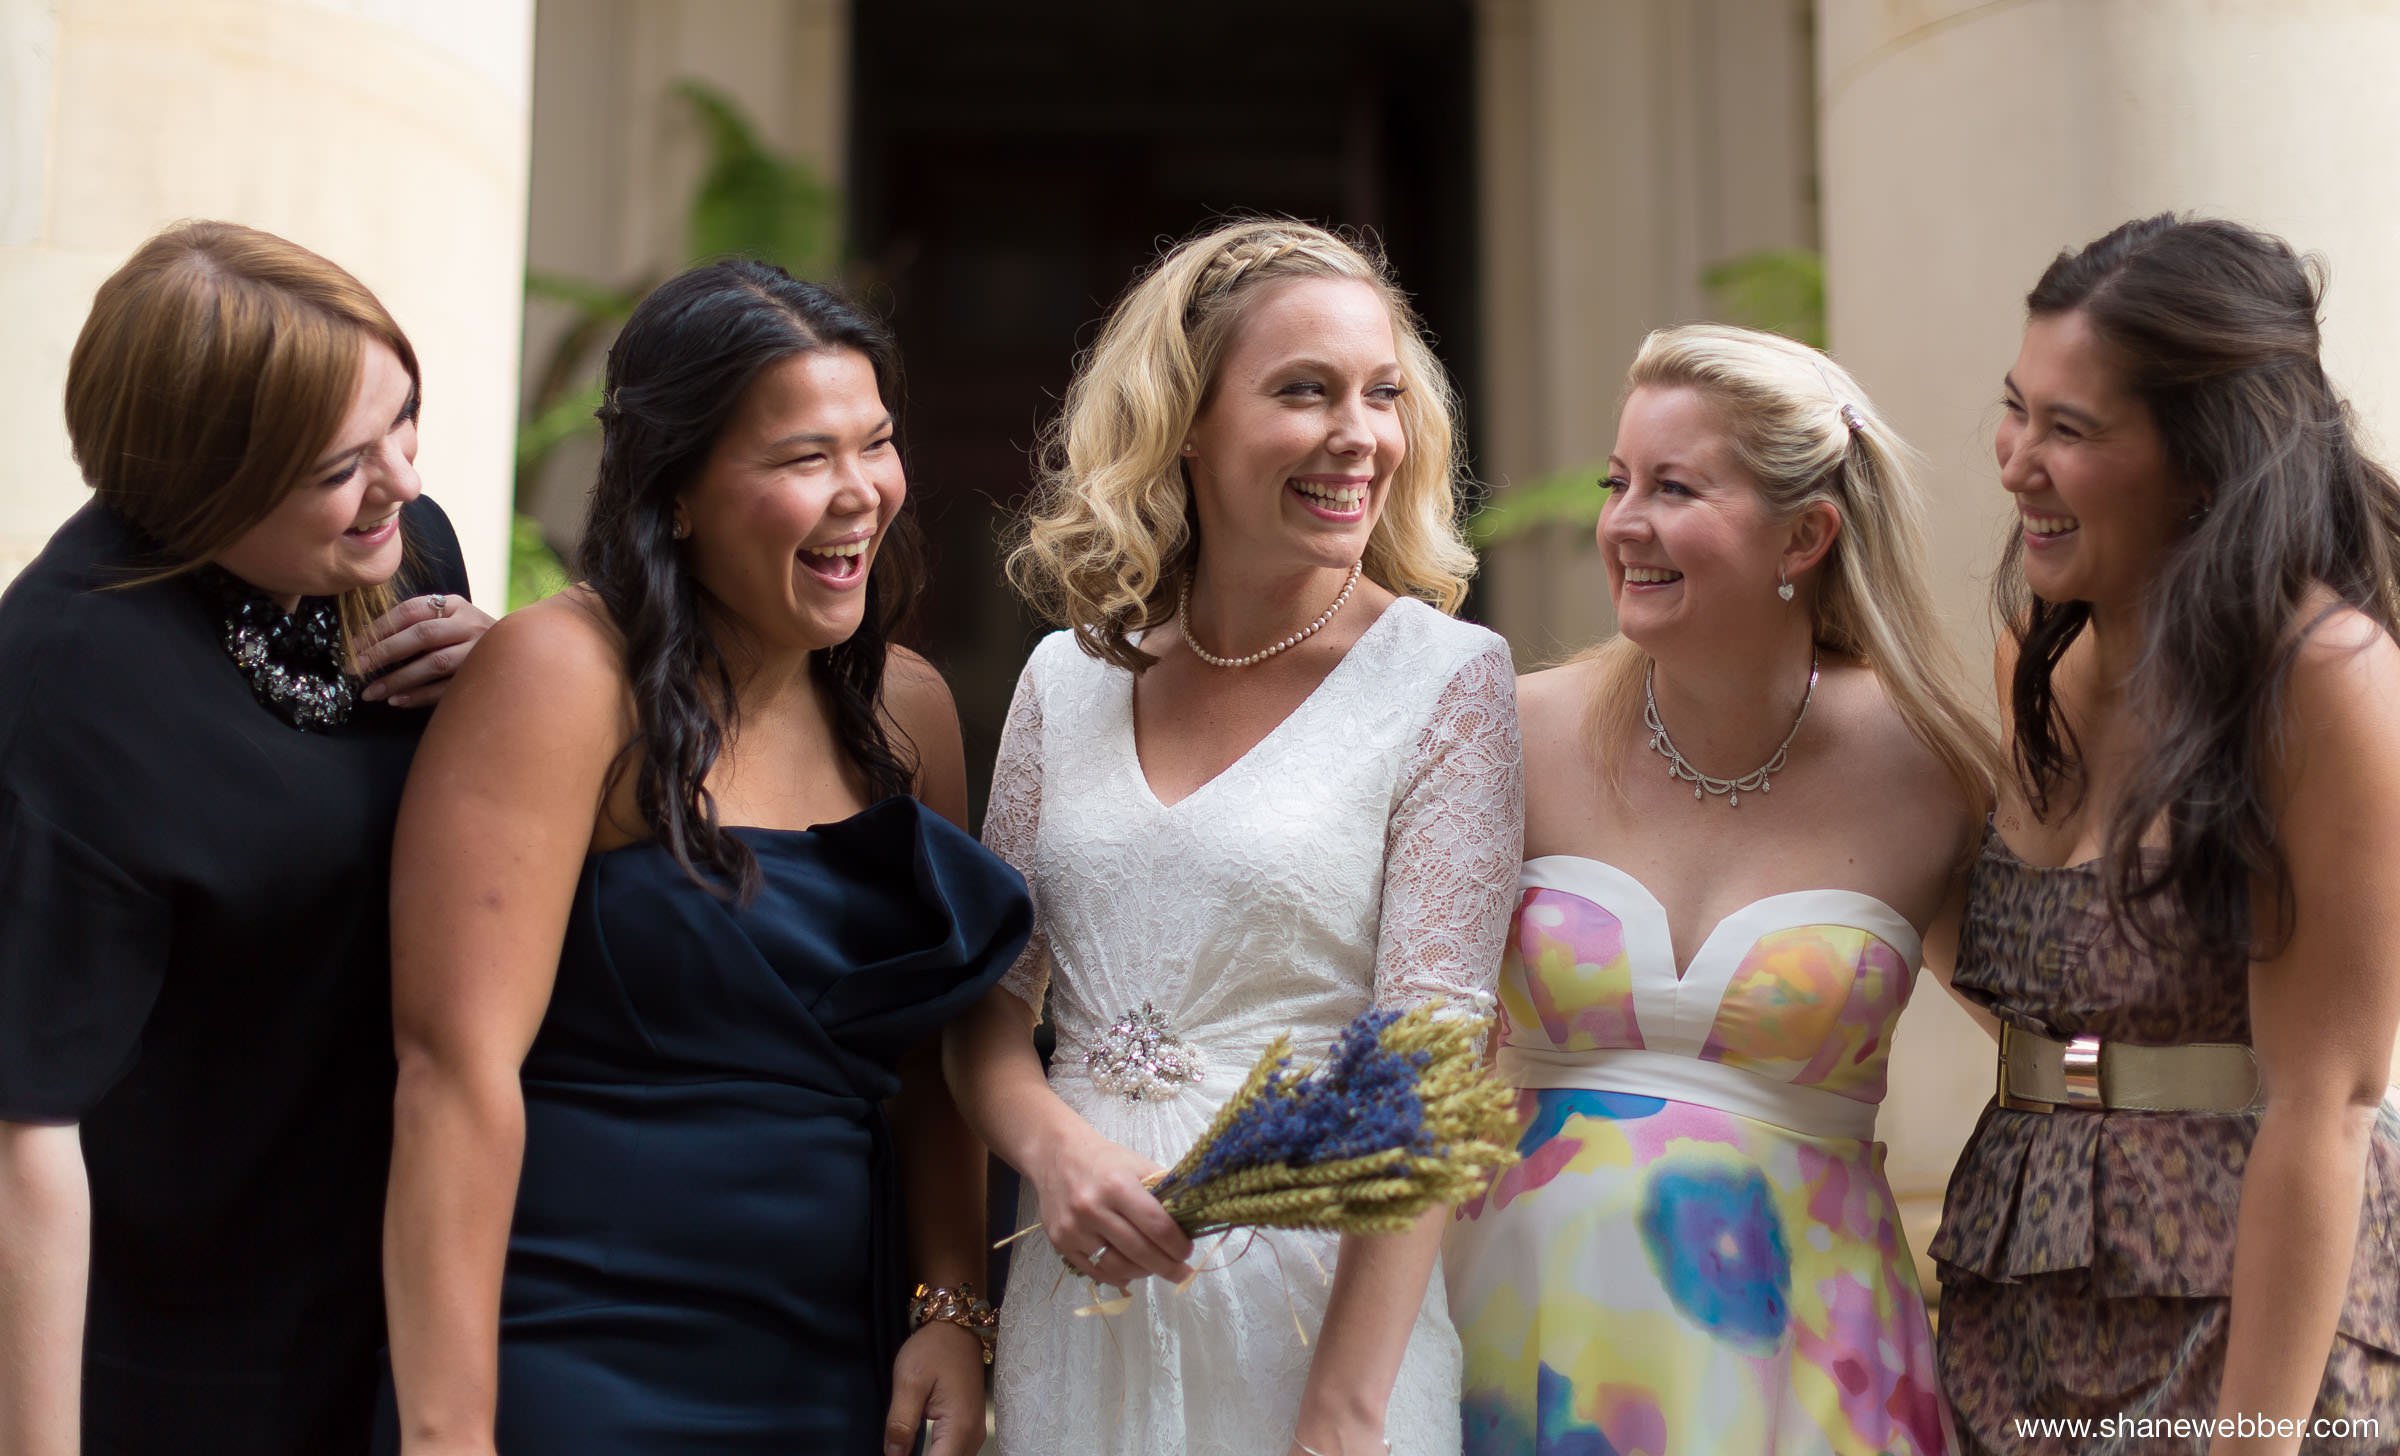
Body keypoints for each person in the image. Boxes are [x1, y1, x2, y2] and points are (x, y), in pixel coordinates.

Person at [377, 260, 1029, 1455]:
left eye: (874, 444)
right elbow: (452, 1074)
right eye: (801, 459)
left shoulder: (909, 713)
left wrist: (953, 1308)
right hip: (576, 1350)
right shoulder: (562, 676)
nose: (861, 494)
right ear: (675, 490)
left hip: (835, 1364)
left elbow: (939, 1064)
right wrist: (448, 1433)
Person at [944, 218, 1524, 1456]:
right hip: (1079, 1308)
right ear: (1186, 422)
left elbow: (1426, 1059)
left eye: (1382, 394)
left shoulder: (1446, 680)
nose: (1357, 435)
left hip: (1319, 1330)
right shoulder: (1063, 679)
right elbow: (990, 1000)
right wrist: (1052, 1151)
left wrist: (1346, 1414)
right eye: (1303, 391)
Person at [1445, 324, 2000, 1455]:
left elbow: (2056, 1036)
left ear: (1807, 533)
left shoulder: (1935, 768)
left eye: (1674, 487)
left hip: (1811, 1356)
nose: (1622, 523)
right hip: (1522, 1335)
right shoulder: (1508, 725)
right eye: (1618, 483)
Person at [0, 221, 490, 1456]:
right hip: (162, 1354)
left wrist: (515, 689)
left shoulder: (403, 554)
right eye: (342, 465)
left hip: (385, 1297)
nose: (405, 482)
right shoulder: (62, 684)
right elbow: (24, 1130)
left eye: (406, 418)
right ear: (200, 481)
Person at [1930, 215, 2400, 1454]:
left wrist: (2254, 1442)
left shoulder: (2322, 677)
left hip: (2248, 1329)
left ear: (2205, 461)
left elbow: (2326, 1102)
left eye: (2070, 429)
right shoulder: (2042, 650)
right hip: (2017, 1306)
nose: (2016, 459)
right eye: (2016, 408)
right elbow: (2056, 993)